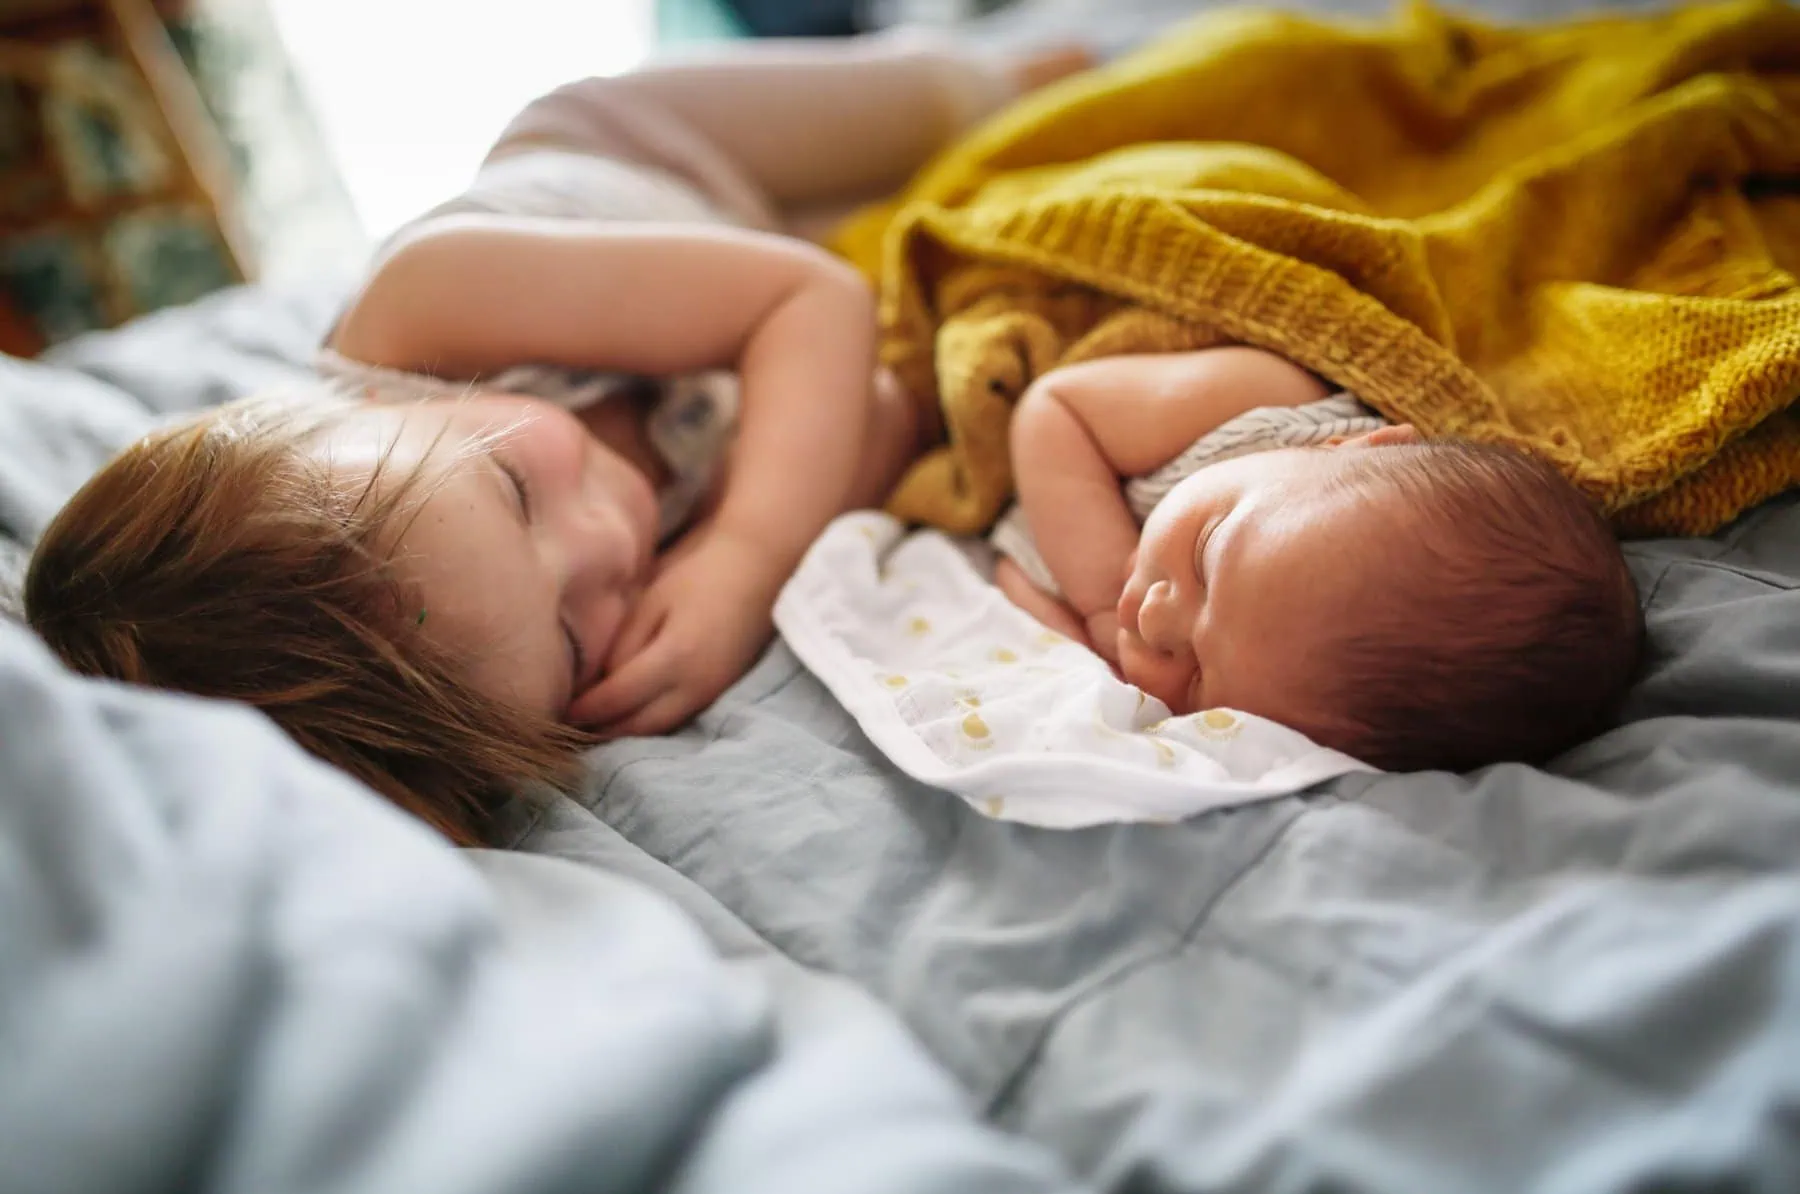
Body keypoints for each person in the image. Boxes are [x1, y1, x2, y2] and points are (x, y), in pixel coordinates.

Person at [23, 33, 1094, 847]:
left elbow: (806, 308)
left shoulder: (427, 305)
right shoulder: (515, 651)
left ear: (372, 408)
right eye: (576, 636)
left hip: (664, 152)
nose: (609, 545)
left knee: (958, 99)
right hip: (750, 288)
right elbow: (878, 406)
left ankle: (1012, 64)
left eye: (511, 490)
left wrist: (742, 554)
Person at [990, 345, 1645, 772]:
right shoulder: (1260, 407)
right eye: (1208, 553)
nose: (1155, 623)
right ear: (1354, 447)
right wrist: (1100, 592)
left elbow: (1015, 555)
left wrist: (1082, 637)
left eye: (1197, 681)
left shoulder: (1252, 669)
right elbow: (1055, 408)